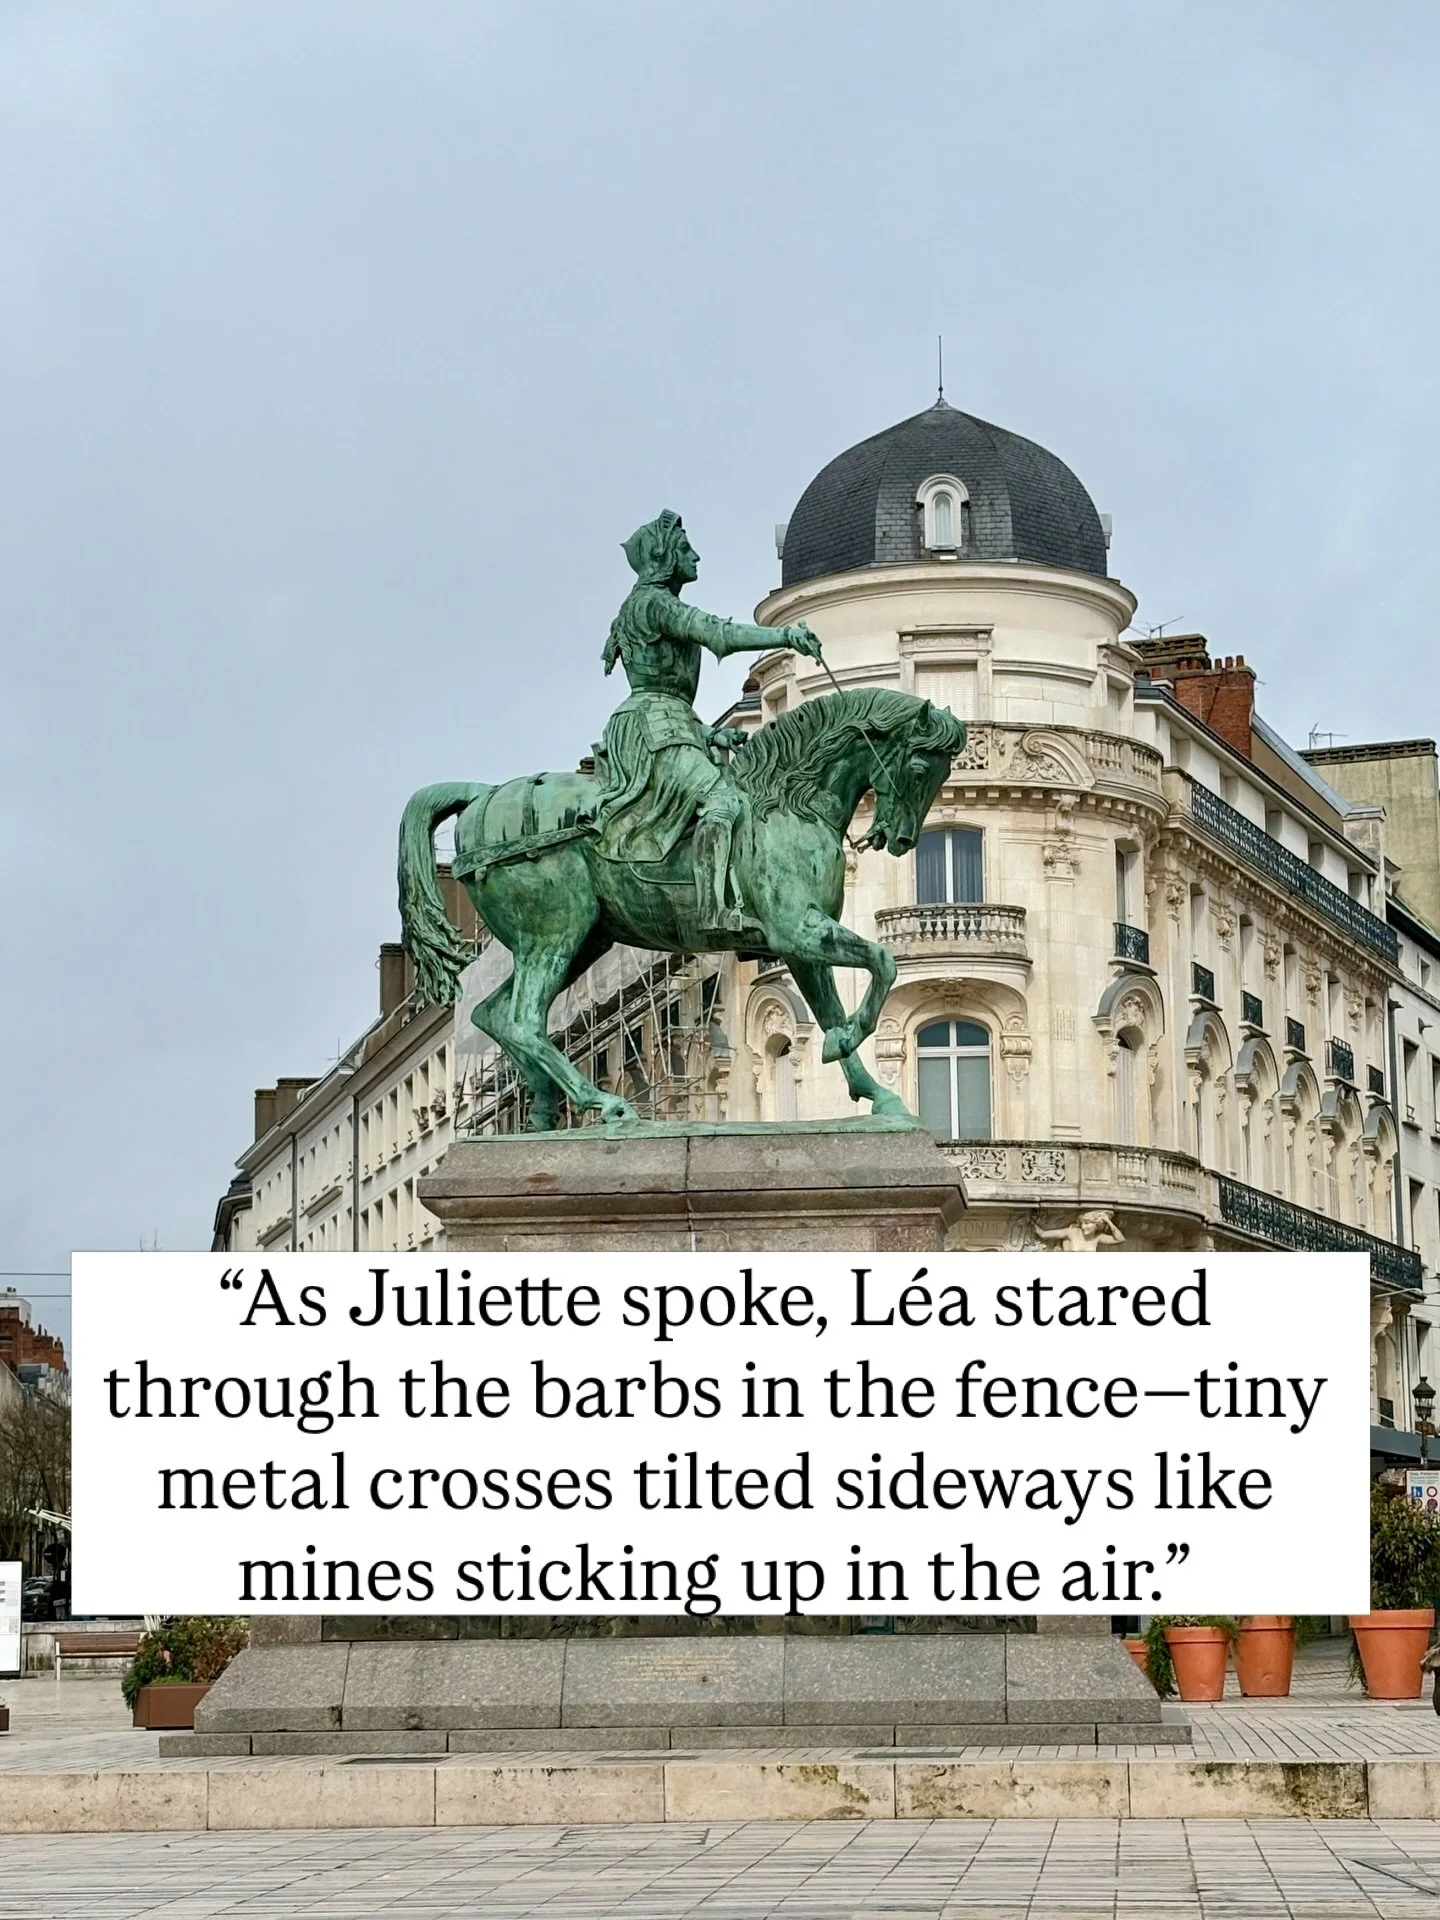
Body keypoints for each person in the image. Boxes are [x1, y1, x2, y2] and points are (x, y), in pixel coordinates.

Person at [595, 509, 822, 940]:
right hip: (652, 726)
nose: (695, 556)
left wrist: (708, 734)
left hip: (671, 722)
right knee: (724, 803)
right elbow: (717, 633)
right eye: (684, 550)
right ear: (664, 558)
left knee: (742, 801)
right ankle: (713, 910)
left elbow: (667, 688)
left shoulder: (646, 604)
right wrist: (786, 636)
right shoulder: (654, 604)